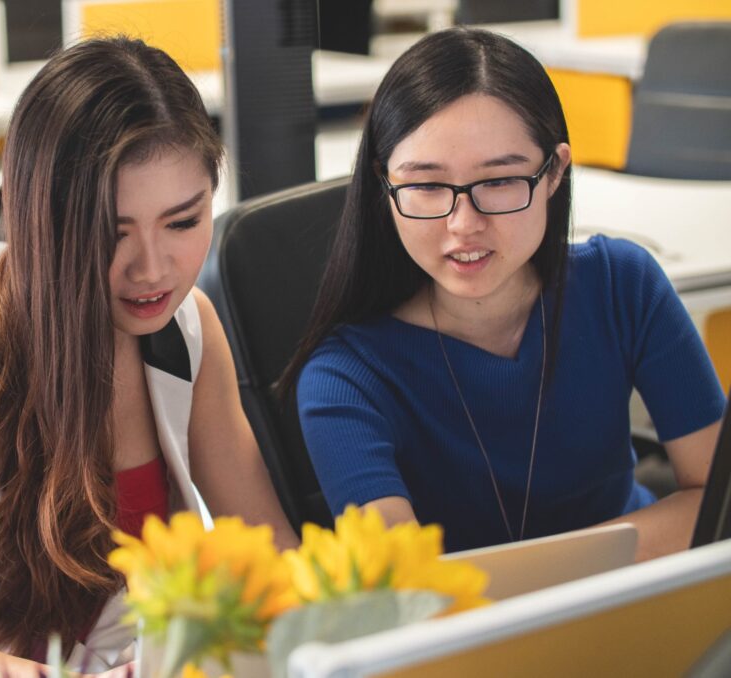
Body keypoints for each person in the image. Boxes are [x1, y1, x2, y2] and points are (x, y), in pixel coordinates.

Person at [0, 37, 296, 677]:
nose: (153, 268)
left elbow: (267, 547)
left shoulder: (189, 327)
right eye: (111, 233)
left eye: (182, 222)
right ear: (44, 220)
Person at [285, 27, 725, 561]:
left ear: (554, 172)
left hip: (636, 599)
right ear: (385, 186)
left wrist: (549, 576)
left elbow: (716, 499)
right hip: (474, 637)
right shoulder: (345, 378)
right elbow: (406, 589)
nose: (463, 223)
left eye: (499, 181)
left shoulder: (622, 286)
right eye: (426, 186)